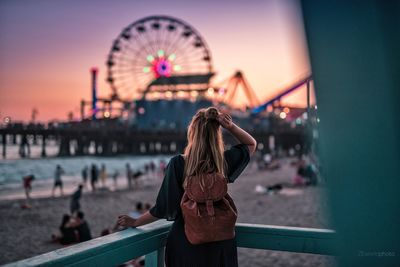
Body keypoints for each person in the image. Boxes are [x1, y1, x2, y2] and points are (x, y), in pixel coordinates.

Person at [117, 107, 256, 267]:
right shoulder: (223, 162)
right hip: (220, 242)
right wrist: (230, 126)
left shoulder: (178, 163)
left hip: (186, 241)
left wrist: (136, 222)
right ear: (216, 134)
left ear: (192, 134)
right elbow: (250, 144)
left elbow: (163, 208)